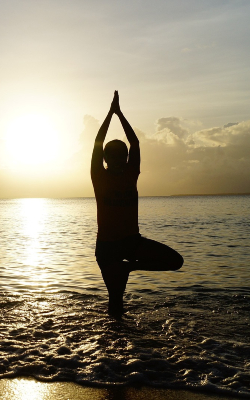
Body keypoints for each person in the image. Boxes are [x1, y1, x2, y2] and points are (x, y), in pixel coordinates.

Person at [91, 90, 183, 318]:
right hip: (107, 247)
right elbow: (97, 142)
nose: (118, 160)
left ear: (126, 158)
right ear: (105, 159)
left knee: (175, 261)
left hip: (132, 242)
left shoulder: (131, 173)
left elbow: (134, 142)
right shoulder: (98, 176)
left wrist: (119, 114)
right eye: (112, 156)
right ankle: (115, 344)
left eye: (122, 156)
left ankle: (130, 267)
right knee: (115, 300)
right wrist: (109, 114)